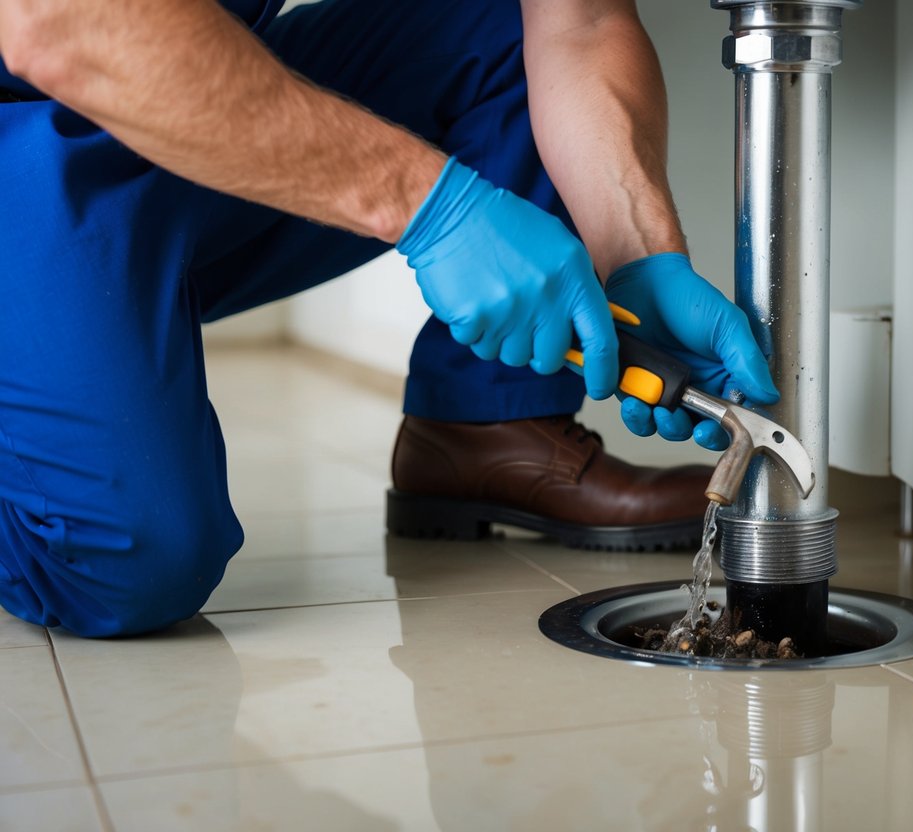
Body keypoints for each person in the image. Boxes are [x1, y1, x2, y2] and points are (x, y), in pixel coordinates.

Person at [0, 0, 778, 637]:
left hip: (146, 118)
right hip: (32, 112)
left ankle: (484, 428)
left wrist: (636, 257)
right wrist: (434, 209)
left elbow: (577, 23)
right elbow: (61, 20)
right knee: (128, 560)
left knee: (495, 39)